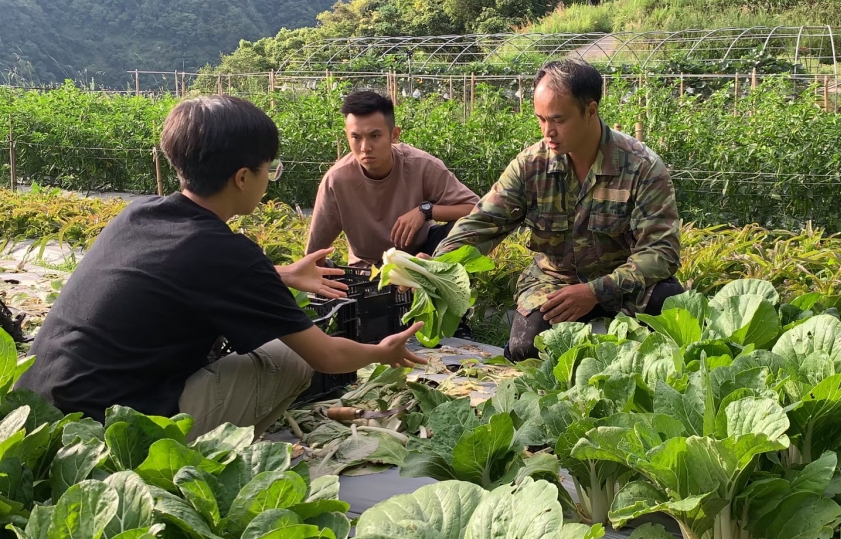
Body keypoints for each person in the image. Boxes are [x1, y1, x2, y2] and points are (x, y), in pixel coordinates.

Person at [15, 95, 426, 439]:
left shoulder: (139, 214)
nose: (270, 179)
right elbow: (326, 356)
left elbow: (177, 278)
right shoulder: (228, 254)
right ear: (243, 177)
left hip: (39, 409)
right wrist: (379, 352)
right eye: (271, 169)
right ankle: (208, 452)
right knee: (290, 359)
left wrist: (280, 274)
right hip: (110, 430)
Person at [434, 59, 684, 361]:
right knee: (527, 351)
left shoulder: (640, 166)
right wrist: (436, 267)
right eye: (540, 119)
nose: (547, 131)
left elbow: (661, 252)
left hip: (624, 283)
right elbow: (483, 222)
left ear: (590, 111)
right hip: (556, 283)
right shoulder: (531, 165)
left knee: (671, 313)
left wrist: (595, 292)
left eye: (558, 120)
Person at [306, 90, 480, 267]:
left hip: (422, 256)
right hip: (369, 268)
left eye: (375, 136)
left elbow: (477, 209)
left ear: (394, 135)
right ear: (347, 136)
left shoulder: (421, 166)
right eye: (356, 137)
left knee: (466, 229)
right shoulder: (336, 181)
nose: (365, 148)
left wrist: (425, 211)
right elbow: (313, 254)